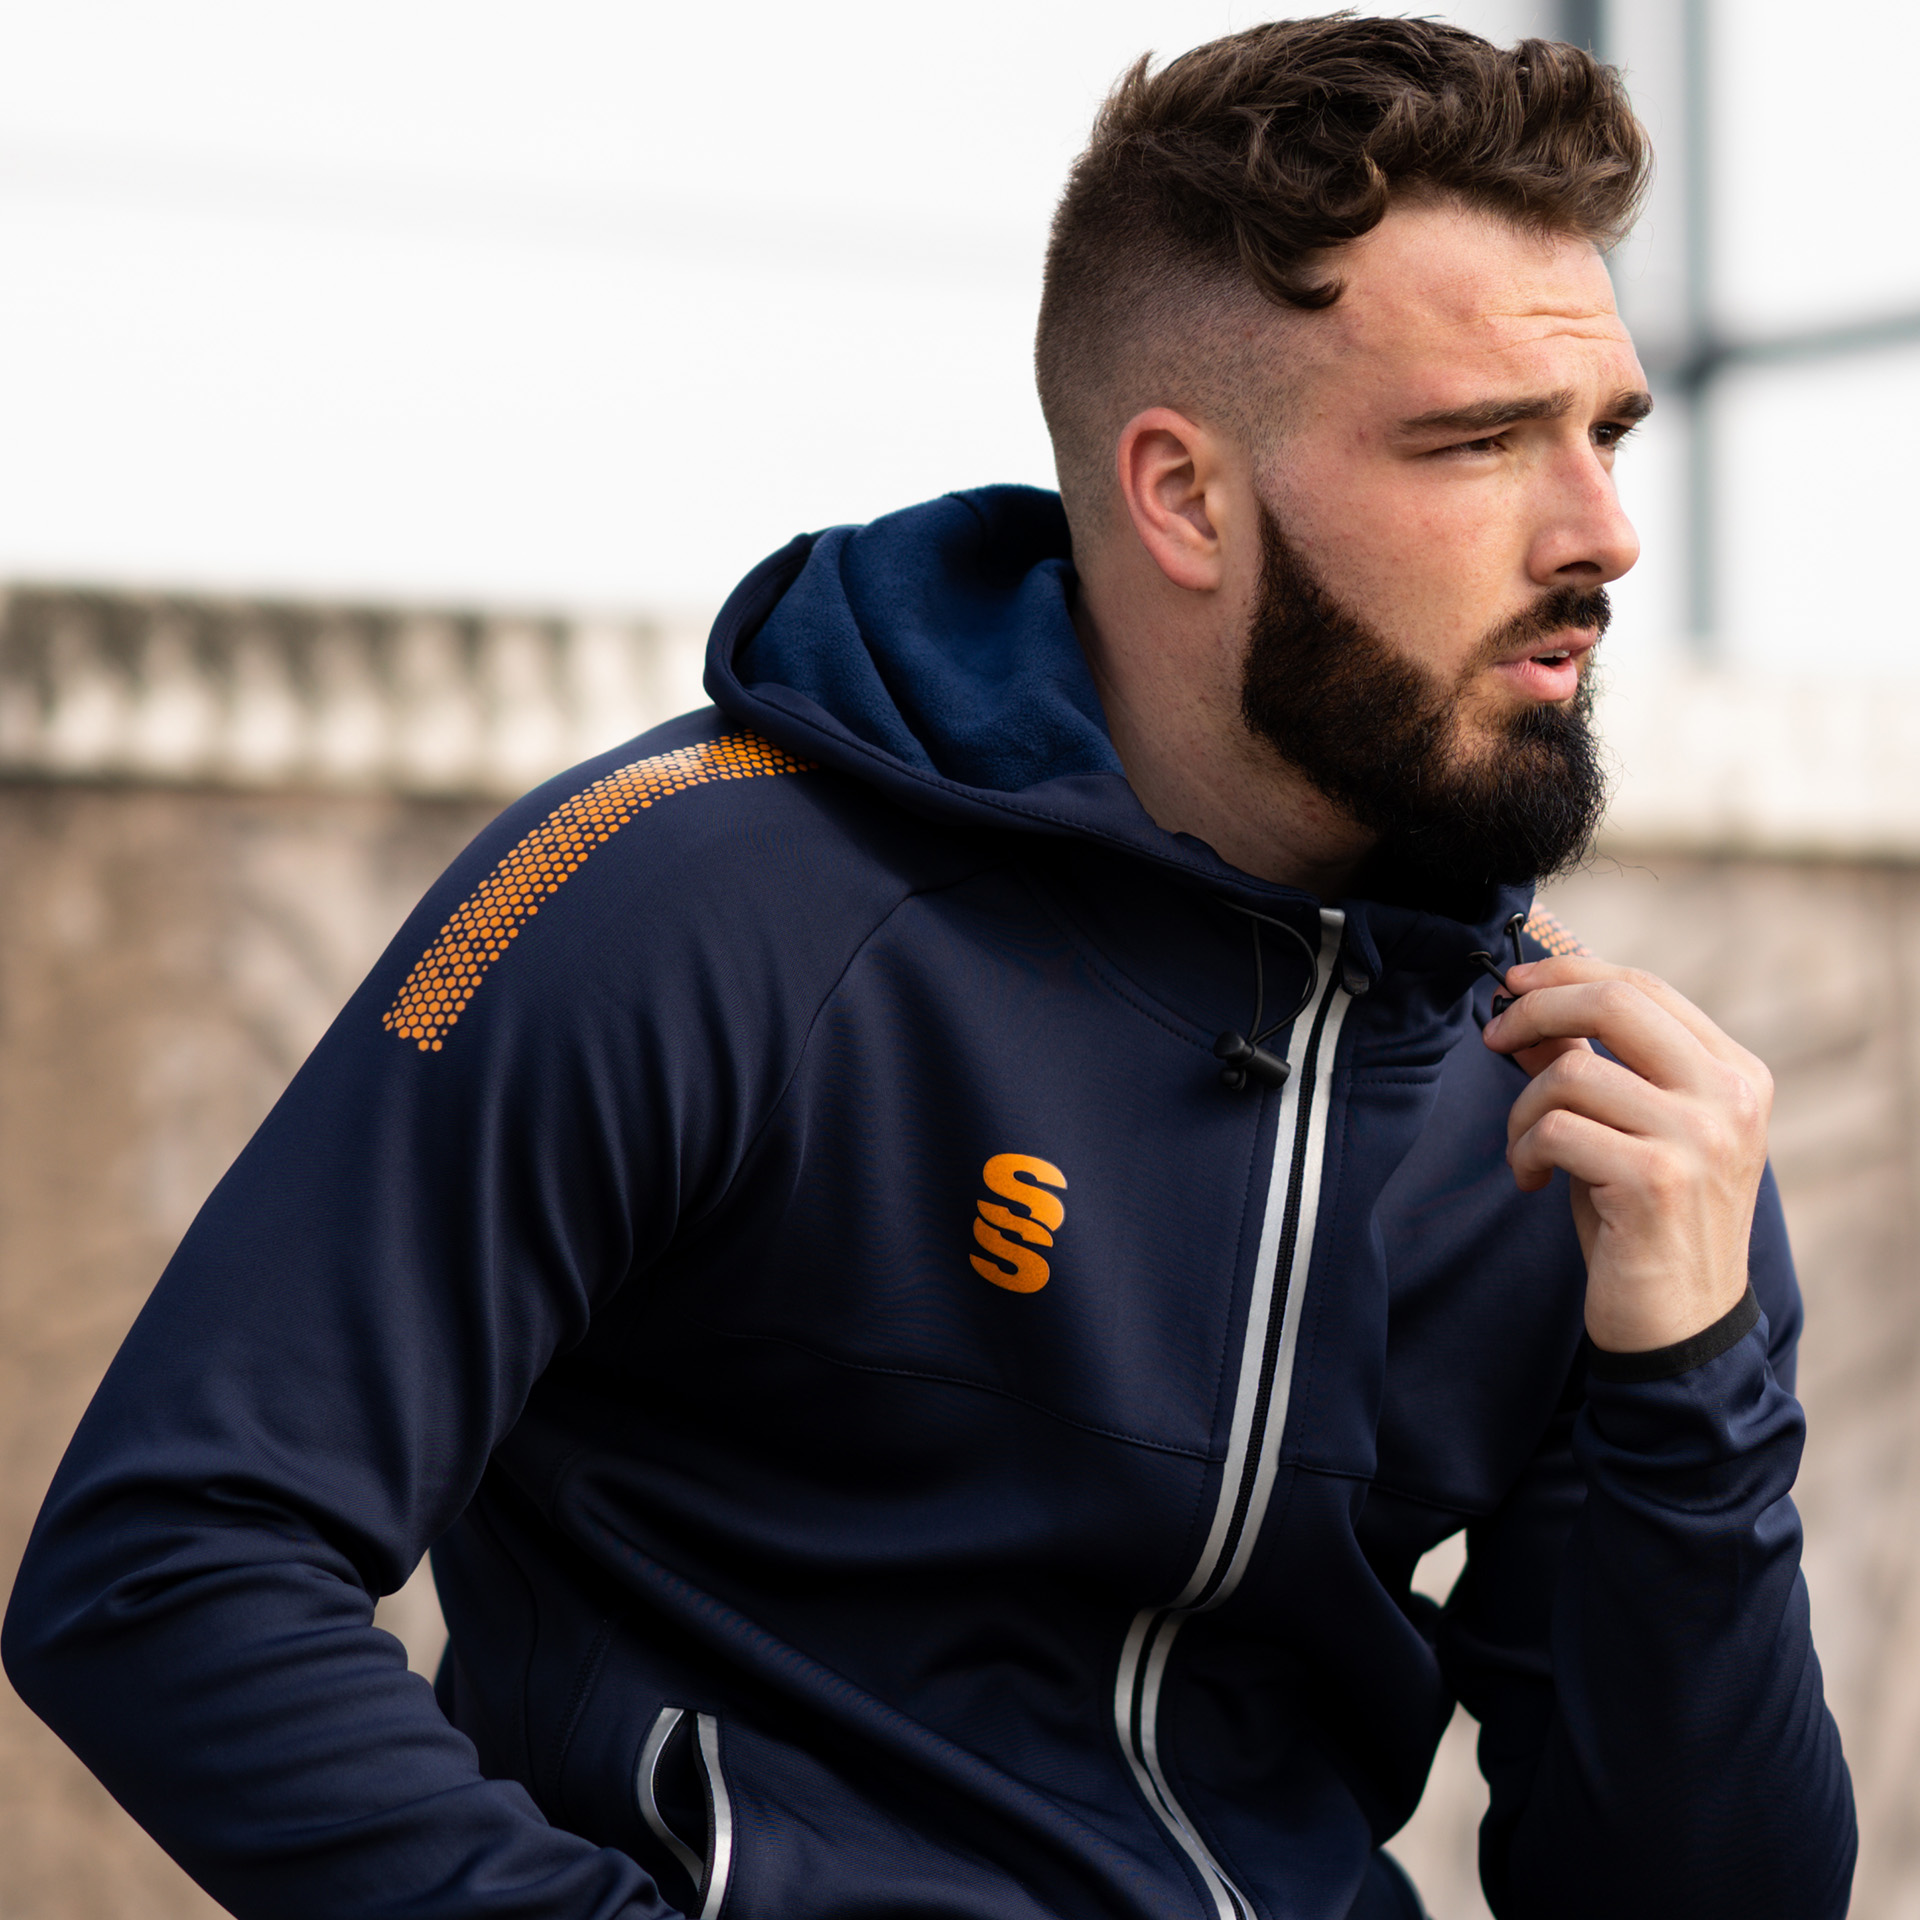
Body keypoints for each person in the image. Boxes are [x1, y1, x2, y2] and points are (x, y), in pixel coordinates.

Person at [3, 17, 1856, 1920]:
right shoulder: (689, 903)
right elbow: (170, 1569)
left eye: (1608, 433)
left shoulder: (1579, 1119)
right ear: (1184, 497)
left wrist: (1689, 1383)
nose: (1603, 535)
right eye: (1480, 442)